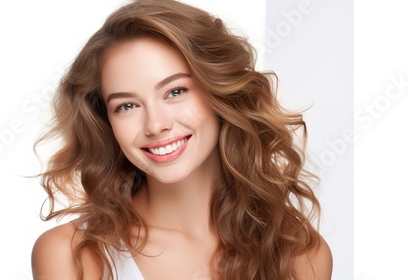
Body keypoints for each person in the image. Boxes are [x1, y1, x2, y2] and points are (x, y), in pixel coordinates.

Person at [31, 0, 333, 279]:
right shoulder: (73, 256)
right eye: (127, 106)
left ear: (219, 92)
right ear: (106, 121)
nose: (156, 124)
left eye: (175, 91)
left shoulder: (298, 254)